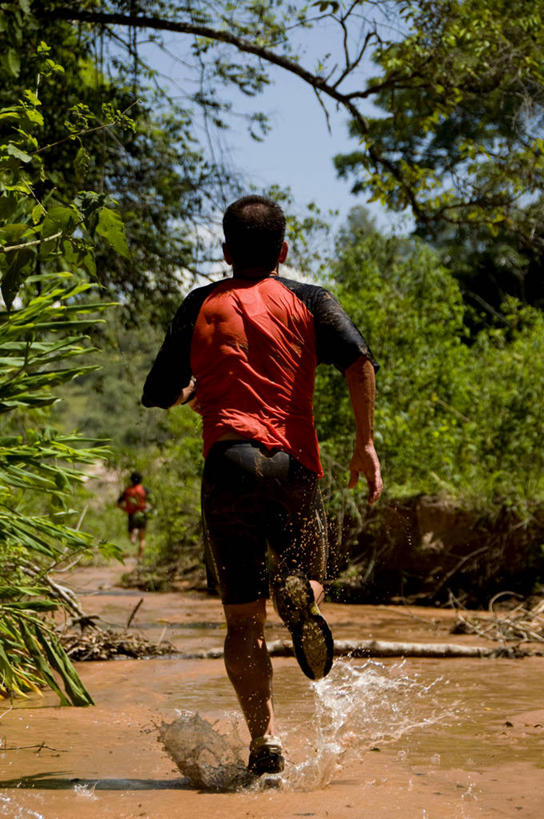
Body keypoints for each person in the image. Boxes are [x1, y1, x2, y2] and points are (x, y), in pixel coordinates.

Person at [142, 195, 382, 778]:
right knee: (308, 569)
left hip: (226, 464)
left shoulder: (200, 303)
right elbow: (359, 363)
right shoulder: (311, 300)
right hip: (291, 463)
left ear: (224, 251)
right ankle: (301, 598)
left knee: (242, 623)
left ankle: (264, 742)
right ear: (284, 249)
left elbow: (158, 391)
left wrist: (191, 394)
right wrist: (364, 443)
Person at [117, 471, 151, 561]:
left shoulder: (127, 491)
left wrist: (125, 509)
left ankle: (134, 532)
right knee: (142, 539)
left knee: (131, 534)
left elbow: (118, 504)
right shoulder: (145, 490)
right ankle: (139, 557)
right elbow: (151, 502)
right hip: (143, 514)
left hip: (132, 515)